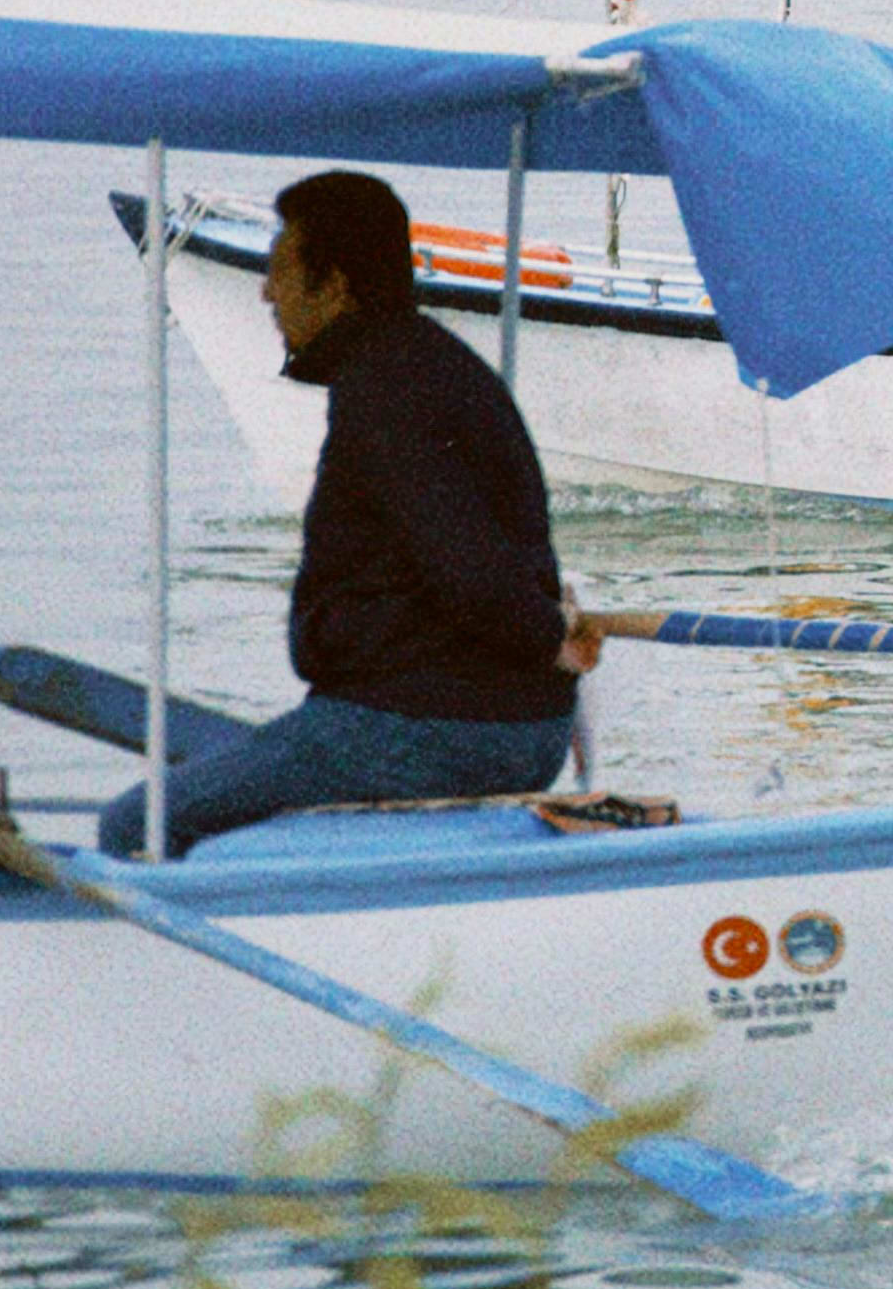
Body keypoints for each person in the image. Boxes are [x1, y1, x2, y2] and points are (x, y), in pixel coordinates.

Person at [93, 169, 579, 858]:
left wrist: (547, 635)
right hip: (467, 715)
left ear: (338, 286)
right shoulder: (426, 366)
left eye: (282, 271)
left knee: (136, 826)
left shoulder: (389, 392)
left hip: (436, 726)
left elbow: (471, 570)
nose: (265, 290)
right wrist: (544, 634)